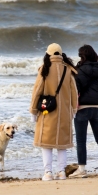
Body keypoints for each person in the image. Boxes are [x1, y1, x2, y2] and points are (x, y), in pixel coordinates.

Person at [29, 43, 78, 181]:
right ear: (61, 54)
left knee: (46, 144)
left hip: (47, 111)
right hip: (64, 112)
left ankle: (48, 173)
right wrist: (74, 109)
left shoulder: (45, 68)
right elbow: (74, 91)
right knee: (62, 145)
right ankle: (61, 172)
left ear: (48, 54)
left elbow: (37, 90)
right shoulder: (67, 69)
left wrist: (33, 110)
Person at [70, 44, 98, 178]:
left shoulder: (78, 71)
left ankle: (82, 170)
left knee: (81, 140)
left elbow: (74, 90)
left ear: (82, 56)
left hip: (82, 109)